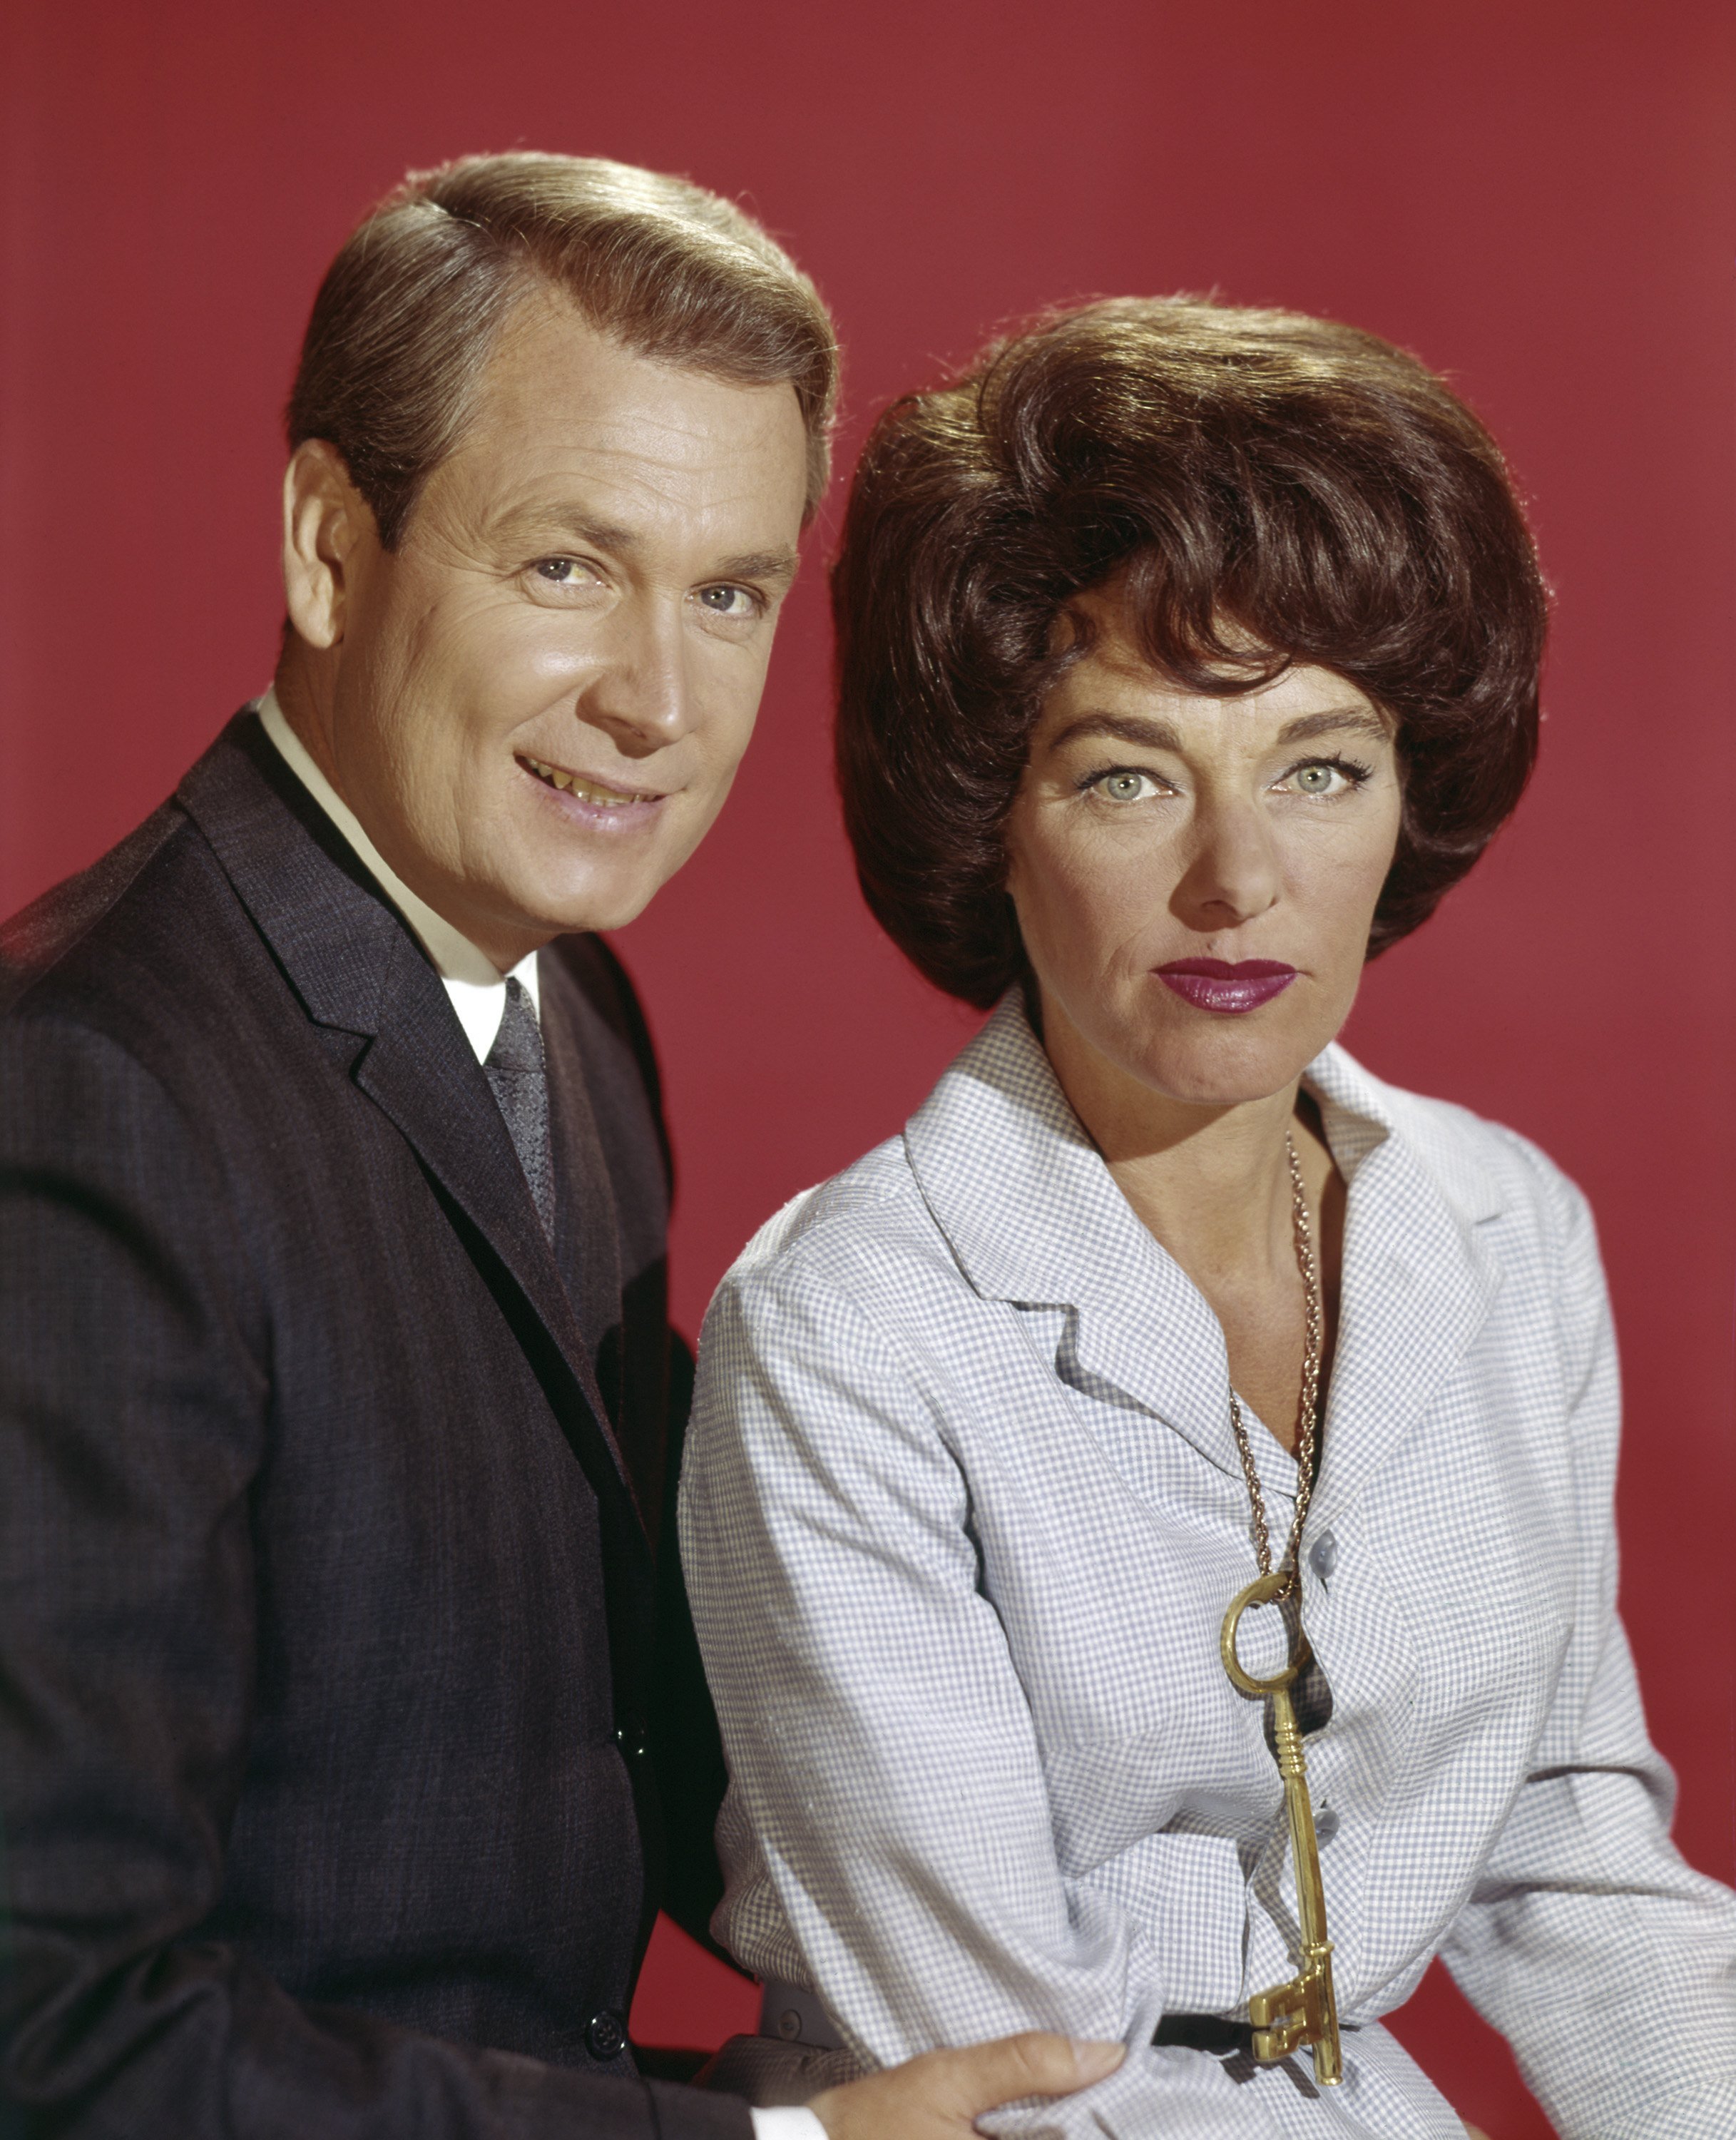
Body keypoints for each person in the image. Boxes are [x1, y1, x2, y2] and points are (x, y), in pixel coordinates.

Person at [0, 154, 1123, 2140]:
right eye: (564, 567)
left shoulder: (567, 1008)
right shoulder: (83, 1102)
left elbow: (626, 1719)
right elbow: (53, 2036)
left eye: (728, 595)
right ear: (333, 545)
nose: (654, 702)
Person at [679, 297, 1736, 2136]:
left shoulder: (1503, 1234)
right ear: (988, 817)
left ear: (1411, 793)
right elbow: (1013, 2064)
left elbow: (1577, 1876)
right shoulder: (845, 1330)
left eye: (1320, 767)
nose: (1240, 879)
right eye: (1128, 776)